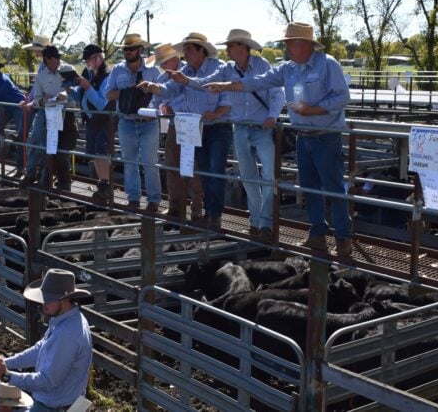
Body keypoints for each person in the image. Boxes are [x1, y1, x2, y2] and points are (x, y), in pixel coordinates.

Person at [205, 22, 353, 256]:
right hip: (302, 136)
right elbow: (258, 82)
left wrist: (312, 110)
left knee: (333, 187)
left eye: (289, 44)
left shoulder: (328, 64)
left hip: (326, 136)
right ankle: (317, 234)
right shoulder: (288, 69)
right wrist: (226, 85)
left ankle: (344, 237)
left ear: (302, 44)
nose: (286, 49)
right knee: (310, 187)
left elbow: (342, 97)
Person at [173, 29, 283, 240]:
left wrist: (273, 115)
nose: (228, 49)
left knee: (268, 175)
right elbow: (207, 83)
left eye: (231, 46)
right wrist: (186, 80)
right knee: (248, 177)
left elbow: (277, 93)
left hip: (262, 128)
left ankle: (265, 223)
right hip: (240, 128)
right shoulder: (228, 68)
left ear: (243, 47)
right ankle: (255, 222)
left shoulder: (262, 65)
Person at [141, 32, 231, 229]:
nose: (185, 54)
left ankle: (204, 211)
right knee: (180, 165)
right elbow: (167, 91)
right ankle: (187, 208)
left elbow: (226, 98)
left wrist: (216, 113)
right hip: (186, 125)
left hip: (212, 126)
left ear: (201, 50)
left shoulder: (217, 69)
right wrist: (154, 89)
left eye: (189, 49)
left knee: (205, 170)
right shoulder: (182, 73)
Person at [0, 269, 92, 412]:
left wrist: (6, 376)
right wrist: (5, 363)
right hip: (61, 404)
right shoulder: (65, 320)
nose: (43, 303)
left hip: (55, 407)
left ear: (65, 300)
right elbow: (40, 349)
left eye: (49, 298)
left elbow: (47, 381)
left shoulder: (68, 333)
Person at [103, 33, 162, 212]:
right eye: (126, 49)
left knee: (149, 162)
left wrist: (151, 111)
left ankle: (154, 201)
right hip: (126, 121)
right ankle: (134, 199)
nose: (128, 52)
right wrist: (129, 93)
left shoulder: (153, 70)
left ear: (140, 50)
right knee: (129, 162)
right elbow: (108, 93)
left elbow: (161, 95)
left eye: (131, 49)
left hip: (148, 122)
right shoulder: (117, 69)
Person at [147, 43, 204, 221]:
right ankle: (176, 207)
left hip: (192, 123)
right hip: (176, 124)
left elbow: (191, 98)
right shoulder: (165, 78)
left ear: (174, 60)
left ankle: (196, 209)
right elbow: (156, 100)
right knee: (172, 165)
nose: (162, 67)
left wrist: (171, 106)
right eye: (161, 64)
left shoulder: (187, 72)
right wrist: (149, 110)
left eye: (164, 63)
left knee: (192, 167)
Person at [21, 45, 78, 191]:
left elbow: (77, 89)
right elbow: (38, 99)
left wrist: (68, 94)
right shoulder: (41, 76)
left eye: (58, 57)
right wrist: (43, 101)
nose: (57, 60)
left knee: (62, 149)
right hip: (48, 113)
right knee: (44, 145)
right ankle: (41, 176)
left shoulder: (68, 69)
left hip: (66, 113)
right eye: (54, 57)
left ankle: (61, 182)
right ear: (46, 59)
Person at [71, 44, 115, 204]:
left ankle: (105, 186)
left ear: (98, 58)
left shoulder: (107, 76)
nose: (87, 63)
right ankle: (102, 185)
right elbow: (82, 97)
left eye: (88, 60)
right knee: (95, 153)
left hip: (103, 119)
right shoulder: (88, 73)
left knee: (101, 152)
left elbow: (102, 103)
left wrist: (87, 87)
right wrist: (70, 88)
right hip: (91, 119)